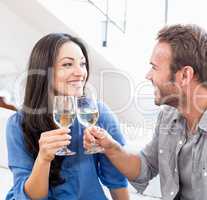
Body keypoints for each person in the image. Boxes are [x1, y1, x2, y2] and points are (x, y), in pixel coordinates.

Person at [84, 24, 207, 200]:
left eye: (154, 68)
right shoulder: (169, 116)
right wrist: (110, 146)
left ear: (185, 75)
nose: (148, 76)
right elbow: (145, 167)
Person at [6, 33, 129, 200]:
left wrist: (110, 148)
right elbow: (29, 197)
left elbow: (117, 180)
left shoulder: (98, 113)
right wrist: (43, 159)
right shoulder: (18, 124)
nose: (80, 72)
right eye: (67, 64)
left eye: (83, 63)